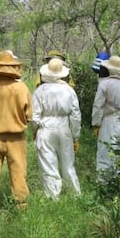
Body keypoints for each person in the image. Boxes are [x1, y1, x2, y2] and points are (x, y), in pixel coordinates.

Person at [0, 50, 33, 214]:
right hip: (16, 138)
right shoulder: (21, 88)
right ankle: (21, 204)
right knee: (18, 171)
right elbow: (29, 115)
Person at [31, 58, 82, 199]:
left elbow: (34, 117)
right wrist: (75, 137)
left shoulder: (39, 91)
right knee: (68, 165)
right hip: (64, 129)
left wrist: (34, 131)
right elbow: (76, 116)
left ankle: (53, 197)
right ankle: (75, 195)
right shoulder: (69, 91)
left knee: (49, 165)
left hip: (45, 129)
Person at [91, 55, 120, 180]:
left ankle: (104, 183)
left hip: (110, 120)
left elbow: (98, 106)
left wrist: (96, 124)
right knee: (119, 150)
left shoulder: (105, 84)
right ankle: (117, 180)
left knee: (105, 151)